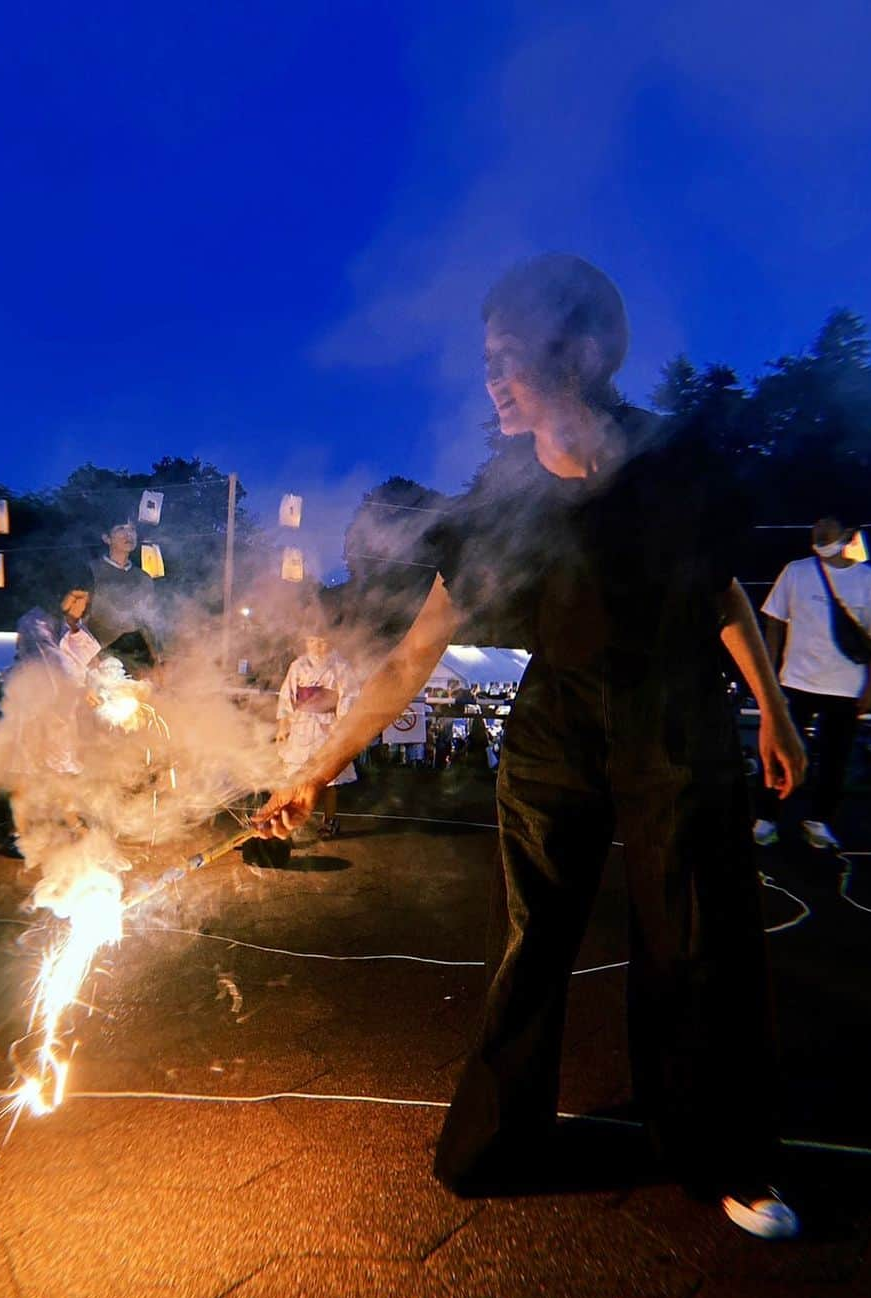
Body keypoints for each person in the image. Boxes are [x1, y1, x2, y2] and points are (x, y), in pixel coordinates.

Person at [255, 254, 806, 1238]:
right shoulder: (503, 495)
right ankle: (502, 1137)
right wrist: (317, 766)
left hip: (672, 717)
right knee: (530, 939)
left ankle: (718, 1155)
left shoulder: (671, 463)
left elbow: (720, 590)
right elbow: (414, 655)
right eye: (488, 358)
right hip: (556, 723)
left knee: (690, 936)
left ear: (583, 352)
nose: (493, 378)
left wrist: (777, 707)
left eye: (510, 355)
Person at [753, 516, 871, 851]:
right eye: (816, 528)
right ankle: (766, 818)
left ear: (847, 535)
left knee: (835, 758)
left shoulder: (870, 580)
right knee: (777, 752)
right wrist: (770, 675)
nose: (819, 534)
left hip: (845, 687)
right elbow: (773, 620)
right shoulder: (796, 571)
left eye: (828, 529)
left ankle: (818, 821)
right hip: (795, 680)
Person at [275, 633, 360, 837]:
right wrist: (283, 725)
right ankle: (290, 820)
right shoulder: (298, 665)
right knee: (295, 775)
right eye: (312, 640)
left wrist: (342, 725)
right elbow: (286, 696)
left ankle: (330, 821)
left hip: (328, 725)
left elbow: (348, 696)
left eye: (322, 640)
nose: (318, 646)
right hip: (301, 725)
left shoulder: (341, 666)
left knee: (328, 778)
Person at [87, 518, 162, 672]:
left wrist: (156, 659)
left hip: (137, 658)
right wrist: (89, 654)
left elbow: (149, 623)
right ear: (106, 538)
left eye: (132, 529)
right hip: (99, 656)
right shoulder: (92, 572)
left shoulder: (143, 578)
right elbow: (76, 618)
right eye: (121, 528)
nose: (129, 534)